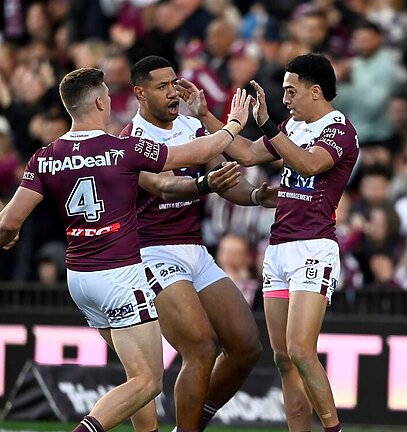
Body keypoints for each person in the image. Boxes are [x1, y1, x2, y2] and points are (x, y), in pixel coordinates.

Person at [0, 67, 252, 432]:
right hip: (120, 274)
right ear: (101, 101)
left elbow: (8, 222)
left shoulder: (45, 157)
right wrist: (232, 126)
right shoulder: (123, 149)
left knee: (135, 376)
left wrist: (7, 238)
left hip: (80, 280)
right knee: (148, 381)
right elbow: (198, 150)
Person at [177, 52, 359, 432]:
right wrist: (205, 115)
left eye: (291, 91)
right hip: (278, 249)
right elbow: (244, 152)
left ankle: (334, 429)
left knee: (300, 350)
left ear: (316, 91)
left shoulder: (339, 130)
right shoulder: (293, 125)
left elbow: (310, 165)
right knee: (283, 359)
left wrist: (268, 125)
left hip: (314, 246)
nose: (286, 98)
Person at [120, 55, 275, 432]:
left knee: (245, 347)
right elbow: (167, 185)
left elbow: (227, 179)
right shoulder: (130, 140)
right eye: (162, 87)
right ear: (140, 93)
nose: (173, 92)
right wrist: (206, 184)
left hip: (194, 249)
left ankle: (191, 422)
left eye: (174, 83)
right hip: (152, 252)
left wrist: (256, 196)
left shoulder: (192, 127)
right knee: (201, 349)